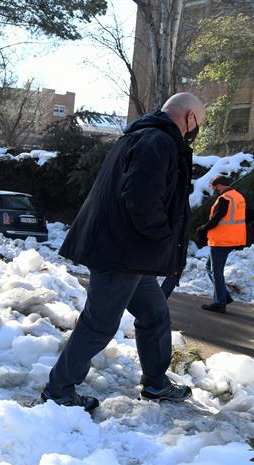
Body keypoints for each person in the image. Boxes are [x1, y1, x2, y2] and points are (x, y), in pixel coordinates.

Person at [40, 92, 205, 412]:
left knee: (155, 314)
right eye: (198, 121)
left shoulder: (147, 137)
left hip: (130, 252)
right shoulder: (156, 141)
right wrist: (162, 236)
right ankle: (58, 390)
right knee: (99, 323)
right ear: (188, 117)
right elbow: (141, 198)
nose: (196, 129)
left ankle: (156, 382)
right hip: (121, 252)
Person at [197, 175, 246, 313]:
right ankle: (223, 296)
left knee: (216, 272)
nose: (214, 191)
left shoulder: (225, 199)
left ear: (219, 186)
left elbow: (216, 219)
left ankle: (219, 303)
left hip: (222, 240)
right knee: (209, 267)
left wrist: (202, 228)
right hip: (232, 239)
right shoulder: (238, 197)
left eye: (214, 188)